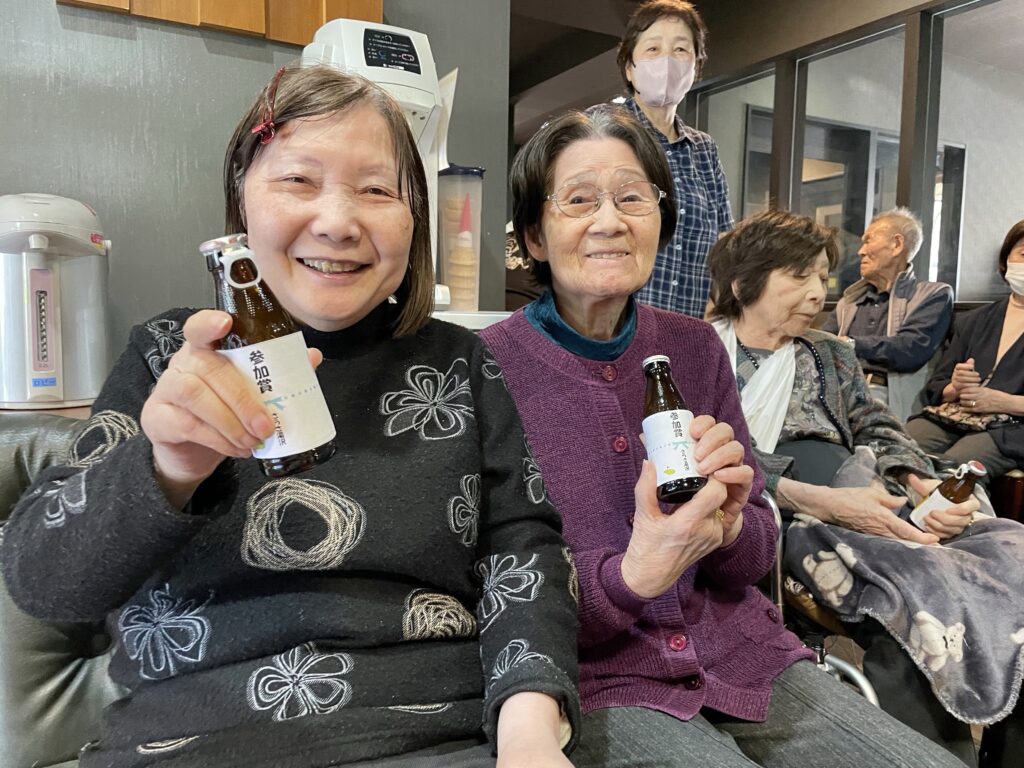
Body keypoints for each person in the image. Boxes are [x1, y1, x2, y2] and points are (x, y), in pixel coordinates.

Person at [0, 64, 580, 768]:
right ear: (241, 199)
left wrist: (528, 730)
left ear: (414, 219)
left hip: (436, 736)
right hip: (188, 745)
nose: (337, 223)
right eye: (299, 180)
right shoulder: (165, 356)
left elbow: (526, 555)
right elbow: (44, 585)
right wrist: (168, 467)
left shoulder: (459, 364)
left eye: (376, 190)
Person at [480, 105, 963, 768]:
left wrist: (733, 525)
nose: (610, 220)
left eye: (632, 197)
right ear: (535, 235)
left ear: (661, 218)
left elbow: (753, 551)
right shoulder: (486, 366)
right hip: (596, 675)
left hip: (742, 653)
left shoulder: (693, 346)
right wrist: (630, 576)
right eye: (580, 200)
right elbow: (497, 584)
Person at [708, 209, 1024, 767]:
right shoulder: (699, 352)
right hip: (782, 511)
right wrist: (825, 501)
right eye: (798, 276)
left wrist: (920, 482)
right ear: (742, 284)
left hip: (868, 492)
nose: (817, 293)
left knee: (1012, 558)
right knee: (919, 594)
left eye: (821, 276)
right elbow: (705, 456)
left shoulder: (830, 352)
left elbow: (876, 425)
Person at [616, 0, 732, 318]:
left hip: (688, 328)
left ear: (695, 68)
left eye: (680, 50)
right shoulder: (604, 127)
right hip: (615, 328)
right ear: (629, 67)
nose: (667, 61)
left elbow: (725, 246)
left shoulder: (704, 149)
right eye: (653, 49)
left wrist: (720, 310)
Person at [906, 218, 1024, 481]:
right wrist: (955, 387)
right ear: (1006, 259)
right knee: (900, 450)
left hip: (1014, 429)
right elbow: (937, 385)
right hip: (956, 416)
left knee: (955, 469)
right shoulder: (974, 320)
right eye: (1023, 254)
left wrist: (1004, 402)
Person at [821, 207, 953, 422]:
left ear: (897, 245)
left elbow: (909, 349)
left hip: (884, 396)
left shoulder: (932, 294)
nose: (860, 251)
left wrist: (851, 344)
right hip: (838, 390)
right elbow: (822, 342)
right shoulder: (848, 302)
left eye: (868, 241)